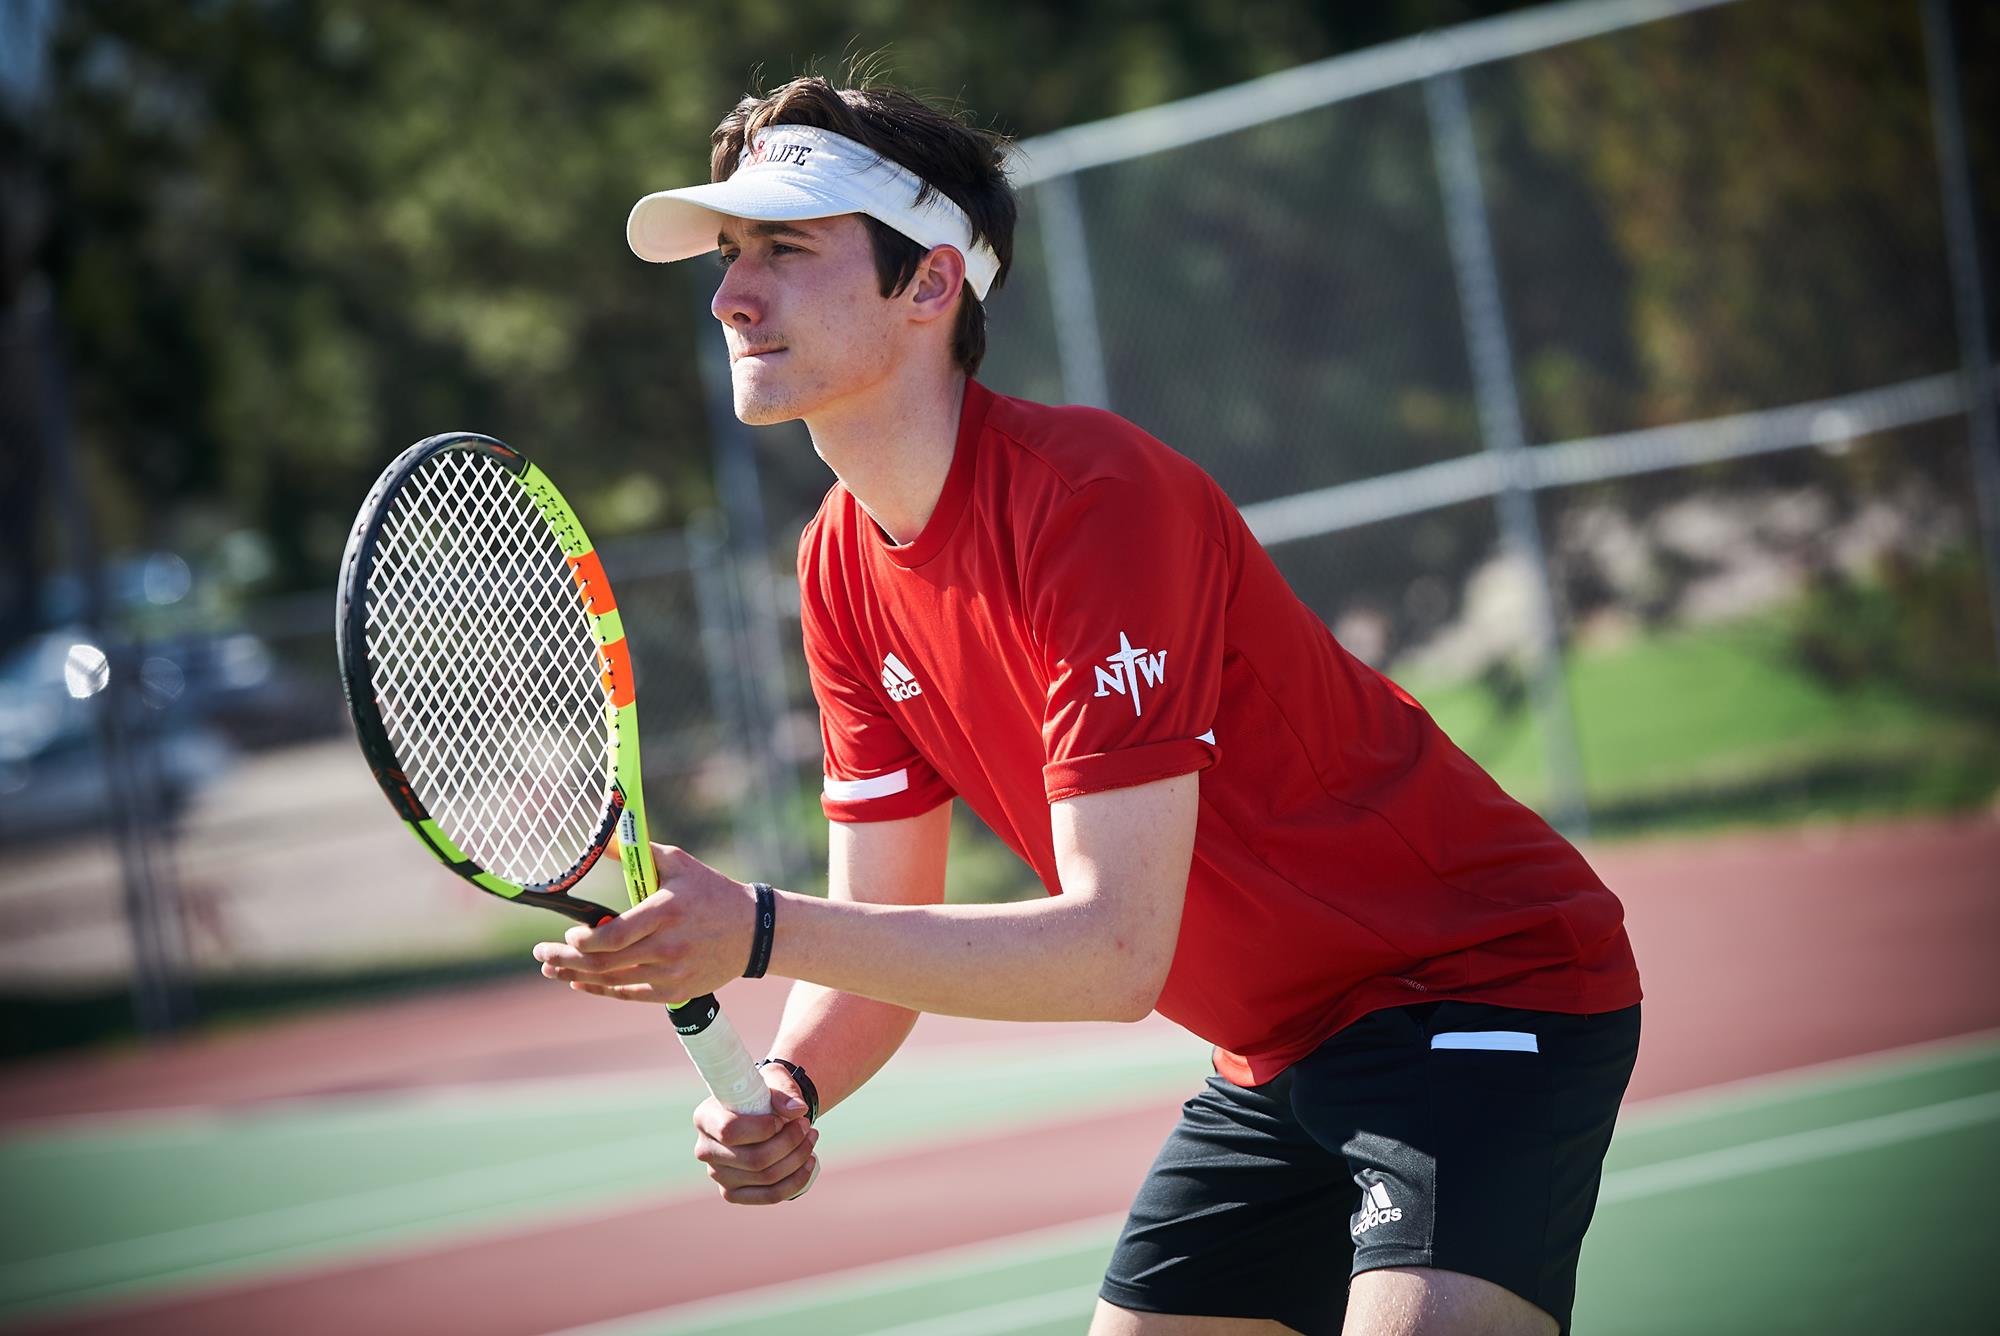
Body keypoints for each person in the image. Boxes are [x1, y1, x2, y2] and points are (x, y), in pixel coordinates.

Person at [533, 73, 1642, 1336]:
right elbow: (883, 922)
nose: (732, 293)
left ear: (930, 285)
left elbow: (1111, 955)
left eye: (783, 249)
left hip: (1480, 990)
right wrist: (788, 1079)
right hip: (1277, 1056)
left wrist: (758, 928)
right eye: (730, 256)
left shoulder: (1094, 499)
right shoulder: (838, 562)